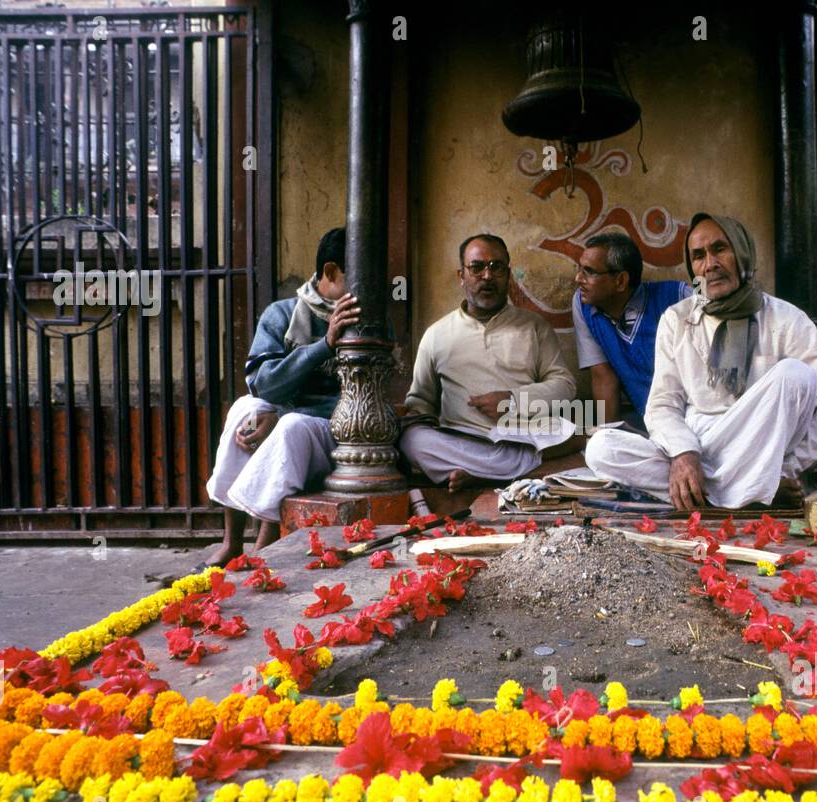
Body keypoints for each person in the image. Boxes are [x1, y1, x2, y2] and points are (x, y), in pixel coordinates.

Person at [584, 213, 817, 510]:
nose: (710, 264)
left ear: (742, 253)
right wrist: (683, 454)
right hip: (701, 452)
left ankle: (733, 488)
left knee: (796, 374)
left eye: (720, 249)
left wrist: (787, 466)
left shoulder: (787, 319)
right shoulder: (677, 319)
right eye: (698, 256)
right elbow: (663, 405)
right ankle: (750, 491)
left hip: (765, 451)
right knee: (601, 448)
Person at [202, 227, 360, 566]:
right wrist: (324, 346)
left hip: (330, 431)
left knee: (291, 426)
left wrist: (283, 414)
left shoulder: (365, 319)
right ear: (331, 272)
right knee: (245, 409)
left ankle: (263, 547)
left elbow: (365, 397)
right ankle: (231, 542)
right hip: (286, 414)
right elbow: (263, 386)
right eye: (356, 275)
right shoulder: (282, 314)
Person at [399, 233, 577, 492]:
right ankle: (513, 474)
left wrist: (513, 401)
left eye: (497, 267)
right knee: (412, 440)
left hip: (524, 439)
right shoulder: (437, 334)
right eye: (477, 267)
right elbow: (421, 402)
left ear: (508, 274)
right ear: (462, 276)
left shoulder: (533, 327)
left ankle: (483, 476)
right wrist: (412, 417)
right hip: (462, 444)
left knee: (593, 436)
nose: (487, 276)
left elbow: (565, 387)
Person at [570, 231, 692, 430]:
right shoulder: (583, 304)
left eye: (589, 271)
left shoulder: (679, 297)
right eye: (579, 268)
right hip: (649, 422)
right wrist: (607, 435)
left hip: (693, 416)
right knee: (601, 447)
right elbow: (603, 376)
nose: (578, 278)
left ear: (620, 281)